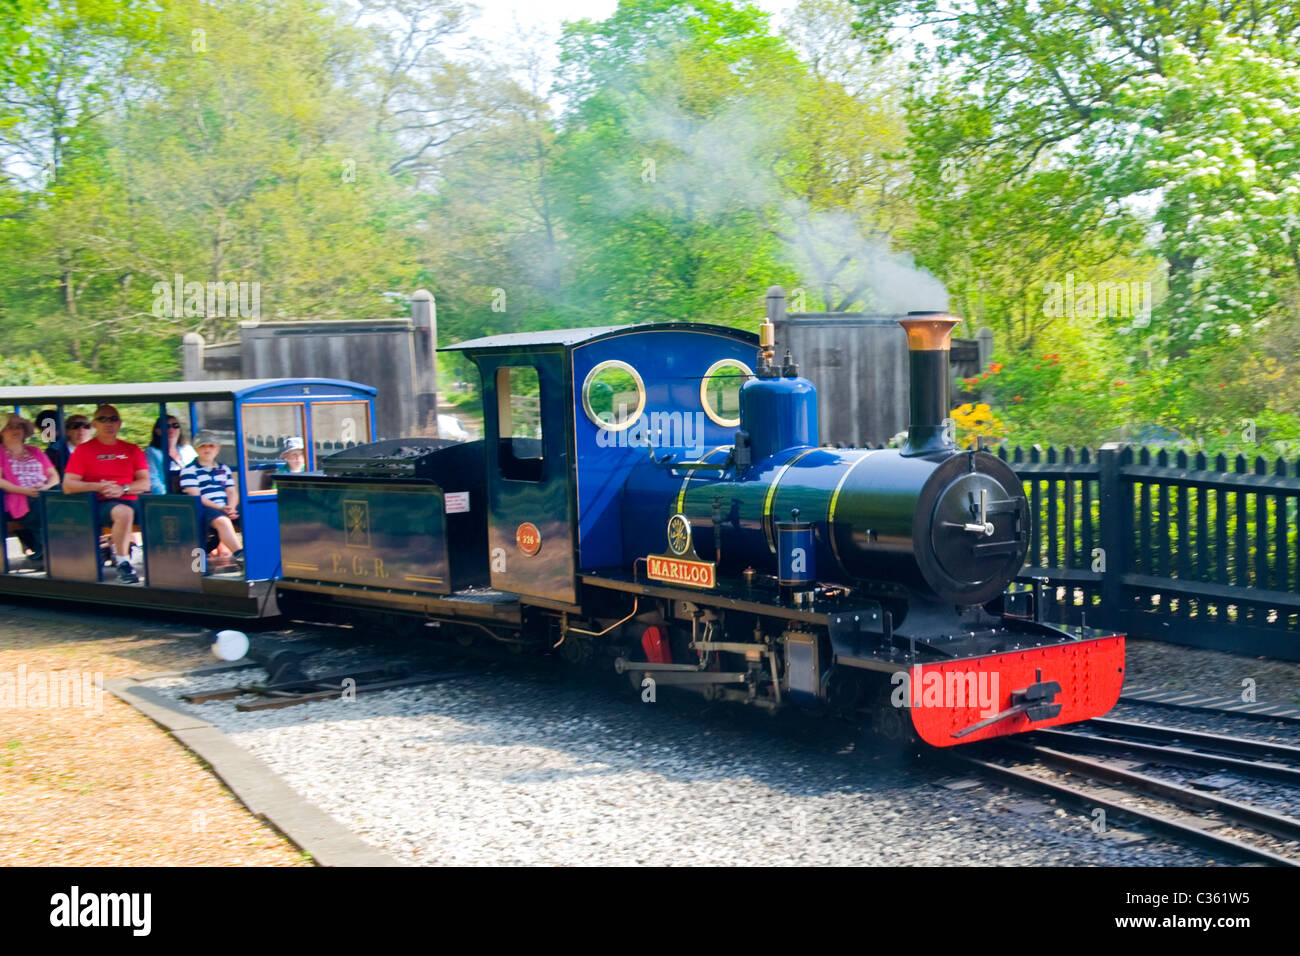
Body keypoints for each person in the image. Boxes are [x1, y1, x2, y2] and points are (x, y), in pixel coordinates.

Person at [62, 404, 150, 584]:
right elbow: (68, 485)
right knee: (124, 512)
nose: (108, 423)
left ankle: (174, 565)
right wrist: (98, 486)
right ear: (95, 424)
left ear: (120, 423)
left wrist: (123, 488)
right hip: (98, 503)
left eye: (113, 419)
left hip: (130, 498)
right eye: (103, 419)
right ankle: (123, 563)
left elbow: (145, 482)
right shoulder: (83, 450)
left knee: (168, 512)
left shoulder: (131, 450)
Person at [1, 413, 60, 565]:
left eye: (19, 426)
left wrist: (46, 487)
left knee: (63, 495)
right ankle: (46, 547)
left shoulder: (35, 451)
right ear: (2, 431)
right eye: (10, 427)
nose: (15, 430)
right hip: (17, 496)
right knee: (41, 505)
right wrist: (25, 491)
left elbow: (54, 476)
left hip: (44, 492)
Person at [180, 433, 243, 566]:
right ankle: (241, 556)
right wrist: (220, 508)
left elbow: (232, 491)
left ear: (217, 449)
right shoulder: (189, 470)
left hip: (225, 506)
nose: (207, 449)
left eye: (211, 446)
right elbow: (196, 496)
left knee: (250, 515)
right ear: (196, 449)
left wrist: (231, 507)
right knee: (223, 521)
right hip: (205, 509)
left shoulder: (223, 469)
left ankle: (261, 551)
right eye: (202, 446)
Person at [147, 414, 197, 495]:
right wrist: (167, 497)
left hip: (192, 494)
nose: (171, 429)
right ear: (158, 431)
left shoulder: (188, 449)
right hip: (167, 497)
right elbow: (153, 479)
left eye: (175, 425)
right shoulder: (152, 452)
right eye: (166, 426)